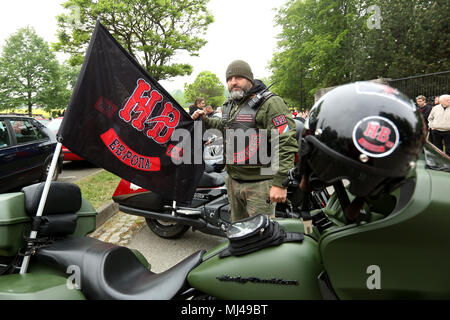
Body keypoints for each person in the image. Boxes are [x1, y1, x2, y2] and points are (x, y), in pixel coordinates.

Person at [191, 60, 298, 222]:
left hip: (260, 185)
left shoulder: (270, 103)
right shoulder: (231, 105)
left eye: (238, 77)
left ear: (250, 79)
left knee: (261, 237)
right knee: (239, 232)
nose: (233, 82)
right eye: (229, 79)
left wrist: (280, 183)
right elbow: (225, 125)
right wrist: (205, 120)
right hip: (233, 181)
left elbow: (285, 142)